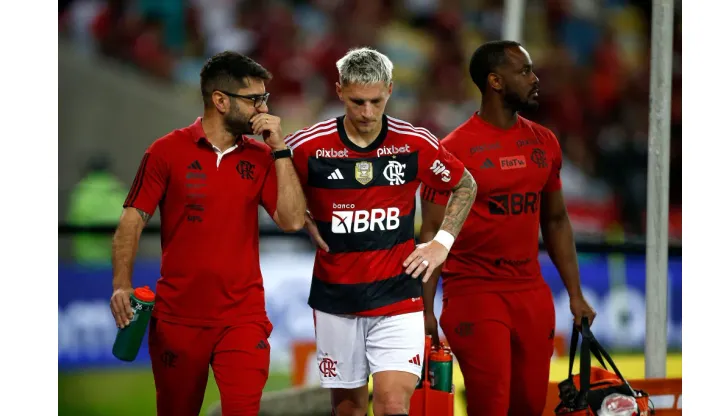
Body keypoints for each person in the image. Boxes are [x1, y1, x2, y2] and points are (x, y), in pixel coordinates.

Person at [109, 51, 306, 416]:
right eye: (254, 99)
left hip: (243, 319)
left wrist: (280, 149)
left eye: (264, 98)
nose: (264, 109)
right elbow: (131, 222)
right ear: (220, 100)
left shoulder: (263, 157)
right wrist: (122, 284)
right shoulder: (165, 152)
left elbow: (293, 221)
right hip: (177, 321)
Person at [291, 47, 477, 416]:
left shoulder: (415, 142)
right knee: (349, 410)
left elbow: (466, 184)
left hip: (398, 296)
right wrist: (301, 215)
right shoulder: (308, 146)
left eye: (376, 101)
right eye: (358, 101)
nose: (367, 113)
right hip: (336, 300)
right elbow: (268, 186)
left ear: (390, 90)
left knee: (394, 404)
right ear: (339, 90)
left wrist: (441, 243)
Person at [419, 41, 597, 416]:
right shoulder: (451, 151)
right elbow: (431, 234)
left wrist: (576, 294)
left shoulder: (544, 142)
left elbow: (556, 220)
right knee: (491, 406)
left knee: (531, 407)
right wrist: (425, 310)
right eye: (525, 71)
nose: (535, 79)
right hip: (474, 291)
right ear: (495, 81)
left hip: (531, 292)